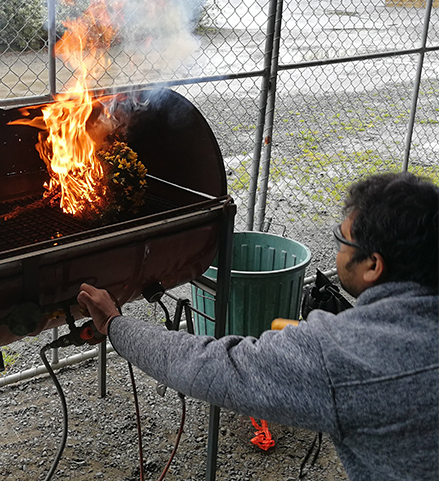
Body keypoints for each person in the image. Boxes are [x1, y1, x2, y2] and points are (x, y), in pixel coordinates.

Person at [78, 172, 439, 481]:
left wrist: (114, 324)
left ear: (373, 265)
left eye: (342, 240)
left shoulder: (345, 354)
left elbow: (207, 365)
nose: (338, 251)